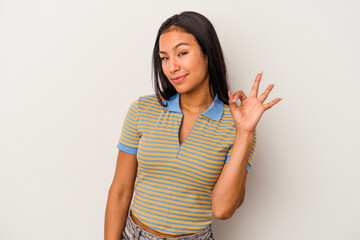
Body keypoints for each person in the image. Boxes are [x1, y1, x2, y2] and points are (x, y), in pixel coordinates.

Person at [104, 11, 281, 240]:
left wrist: (245, 133)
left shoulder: (236, 127)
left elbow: (223, 209)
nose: (171, 67)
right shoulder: (143, 109)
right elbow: (120, 191)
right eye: (165, 57)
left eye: (182, 53)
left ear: (208, 53)